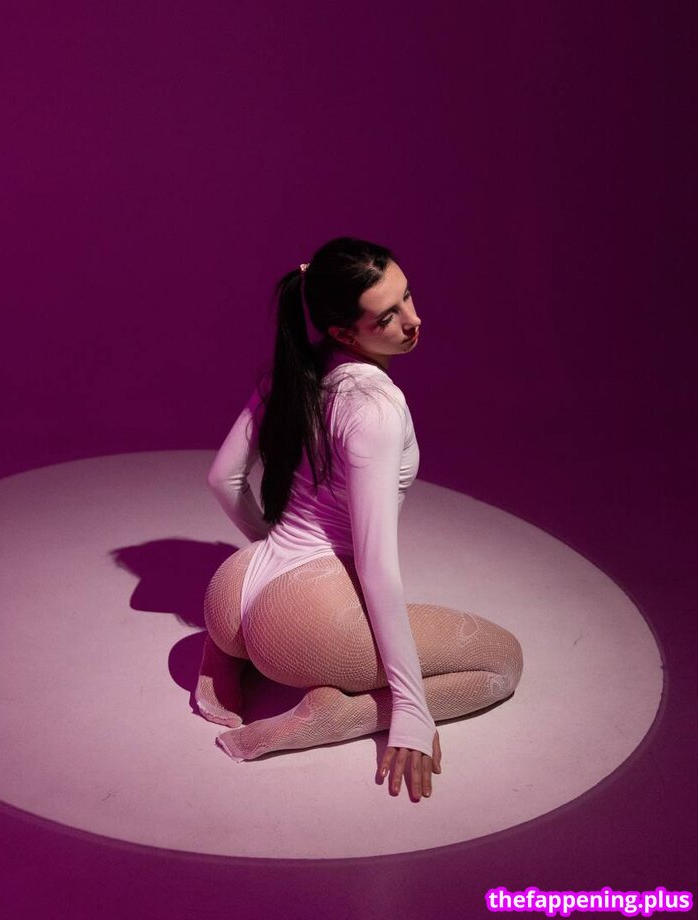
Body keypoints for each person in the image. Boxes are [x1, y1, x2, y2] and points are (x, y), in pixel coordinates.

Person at [195, 236, 523, 802]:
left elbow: (222, 479)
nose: (413, 321)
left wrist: (277, 549)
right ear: (346, 334)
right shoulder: (376, 407)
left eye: (408, 296)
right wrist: (411, 710)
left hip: (234, 588)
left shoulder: (292, 370)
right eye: (387, 317)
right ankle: (343, 714)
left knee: (279, 605)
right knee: (503, 661)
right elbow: (376, 567)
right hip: (302, 623)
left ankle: (224, 656)